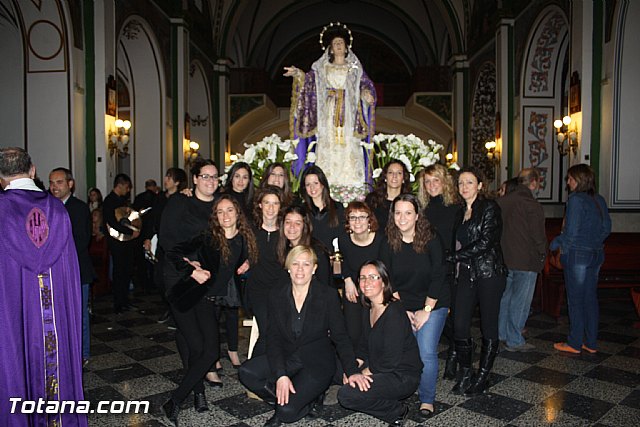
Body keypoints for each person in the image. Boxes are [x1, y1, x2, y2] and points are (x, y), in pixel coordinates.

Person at [0, 147, 87, 426]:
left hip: (14, 313)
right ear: (33, 170)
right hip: (55, 315)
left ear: (1, 177)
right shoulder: (57, 210)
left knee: (16, 361)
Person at [238, 245, 362, 427]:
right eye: (295, 264)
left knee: (287, 413)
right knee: (246, 372)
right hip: (288, 357)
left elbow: (340, 336)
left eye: (306, 264)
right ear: (288, 267)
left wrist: (351, 371)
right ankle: (286, 397)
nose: (300, 269)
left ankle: (302, 400)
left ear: (314, 268)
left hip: (316, 361)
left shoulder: (328, 295)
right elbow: (273, 338)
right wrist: (280, 375)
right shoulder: (276, 295)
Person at [162, 195, 257, 425]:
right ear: (216, 216)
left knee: (207, 352)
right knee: (201, 350)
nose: (225, 216)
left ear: (237, 214)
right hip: (187, 297)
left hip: (208, 302)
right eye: (220, 212)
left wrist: (247, 265)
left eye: (230, 211)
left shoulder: (244, 240)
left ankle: (191, 396)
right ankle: (179, 399)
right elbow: (173, 252)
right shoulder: (209, 237)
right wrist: (191, 269)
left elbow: (244, 263)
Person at [380, 193, 448, 420]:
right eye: (397, 212)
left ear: (417, 215)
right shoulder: (388, 241)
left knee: (426, 351)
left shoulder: (431, 239)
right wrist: (403, 310)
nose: (402, 217)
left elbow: (439, 275)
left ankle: (427, 398)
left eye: (408, 212)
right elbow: (387, 278)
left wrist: (425, 311)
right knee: (399, 350)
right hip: (402, 303)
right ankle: (401, 389)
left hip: (434, 302)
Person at [284, 22, 376, 187]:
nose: (339, 45)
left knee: (349, 144)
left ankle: (353, 184)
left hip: (349, 113)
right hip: (329, 111)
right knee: (328, 143)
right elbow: (310, 82)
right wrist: (298, 74)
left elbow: (365, 85)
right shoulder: (323, 68)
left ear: (347, 48)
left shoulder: (355, 68)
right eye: (335, 43)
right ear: (330, 49)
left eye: (341, 42)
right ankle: (327, 182)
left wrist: (366, 95)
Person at [337, 260, 422, 426]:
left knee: (346, 395)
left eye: (372, 277)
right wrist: (353, 368)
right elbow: (363, 345)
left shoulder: (394, 312)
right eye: (362, 278)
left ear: (383, 281)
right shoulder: (369, 306)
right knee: (338, 367)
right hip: (378, 363)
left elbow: (389, 361)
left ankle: (396, 410)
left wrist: (361, 374)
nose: (366, 282)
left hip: (401, 374)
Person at [449, 167, 507, 396]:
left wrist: (453, 257)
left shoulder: (490, 208)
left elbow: (486, 242)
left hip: (489, 273)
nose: (464, 187)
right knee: (460, 325)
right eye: (461, 183)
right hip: (465, 274)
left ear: (480, 185)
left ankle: (483, 375)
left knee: (488, 326)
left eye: (469, 182)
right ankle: (465, 372)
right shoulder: (459, 211)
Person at [550, 164, 611, 354]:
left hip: (578, 254)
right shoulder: (599, 199)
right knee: (590, 298)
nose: (567, 182)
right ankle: (591, 342)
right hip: (596, 253)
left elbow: (571, 231)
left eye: (569, 178)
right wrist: (594, 243)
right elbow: (607, 228)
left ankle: (574, 342)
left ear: (577, 179)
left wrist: (556, 244)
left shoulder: (575, 200)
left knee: (575, 299)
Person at [49, 167, 96, 366]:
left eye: (59, 182)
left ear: (70, 184)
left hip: (77, 269)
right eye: (51, 183)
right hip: (53, 269)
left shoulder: (78, 208)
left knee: (79, 313)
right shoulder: (48, 206)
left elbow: (81, 240)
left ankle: (82, 354)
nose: (54, 187)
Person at [418, 164, 461, 380]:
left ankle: (455, 353)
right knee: (438, 314)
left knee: (454, 318)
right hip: (429, 269)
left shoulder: (456, 208)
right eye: (428, 181)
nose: (432, 185)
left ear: (445, 182)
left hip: (452, 269)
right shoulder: (422, 210)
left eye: (436, 180)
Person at [497, 168, 547, 352]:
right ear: (533, 182)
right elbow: (538, 236)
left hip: (505, 258)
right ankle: (515, 340)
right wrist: (543, 254)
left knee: (505, 298)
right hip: (526, 260)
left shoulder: (501, 202)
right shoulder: (531, 205)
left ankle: (501, 333)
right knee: (521, 301)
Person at [338, 201, 384, 349]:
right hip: (354, 287)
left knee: (373, 330)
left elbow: (385, 269)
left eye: (362, 217)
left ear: (369, 220)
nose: (357, 221)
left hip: (376, 288)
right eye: (352, 217)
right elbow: (344, 262)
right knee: (352, 332)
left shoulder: (381, 240)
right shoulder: (343, 240)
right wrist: (347, 280)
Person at [246, 185, 284, 357]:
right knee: (268, 329)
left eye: (275, 203)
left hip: (281, 290)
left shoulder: (286, 232)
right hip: (258, 290)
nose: (270, 208)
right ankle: (253, 369)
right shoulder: (250, 231)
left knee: (281, 330)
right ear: (259, 205)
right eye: (267, 203)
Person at [103, 173, 138, 313]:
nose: (128, 190)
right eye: (127, 187)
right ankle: (119, 303)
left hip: (126, 242)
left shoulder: (122, 201)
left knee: (126, 271)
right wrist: (131, 232)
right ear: (121, 185)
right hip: (117, 242)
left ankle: (125, 301)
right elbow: (112, 223)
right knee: (119, 272)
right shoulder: (109, 201)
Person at [276, 205, 331, 288]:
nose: (292, 226)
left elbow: (324, 285)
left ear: (304, 226)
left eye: (297, 223)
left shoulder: (317, 251)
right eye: (288, 222)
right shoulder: (282, 249)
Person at [299, 165, 345, 257]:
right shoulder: (301, 210)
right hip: (309, 259)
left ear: (323, 184)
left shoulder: (338, 208)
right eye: (308, 184)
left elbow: (343, 237)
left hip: (333, 260)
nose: (312, 188)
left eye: (315, 183)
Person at [365, 160, 412, 230]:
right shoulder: (372, 199)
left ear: (403, 179)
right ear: (385, 177)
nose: (394, 176)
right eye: (390, 172)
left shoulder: (410, 201)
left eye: (399, 173)